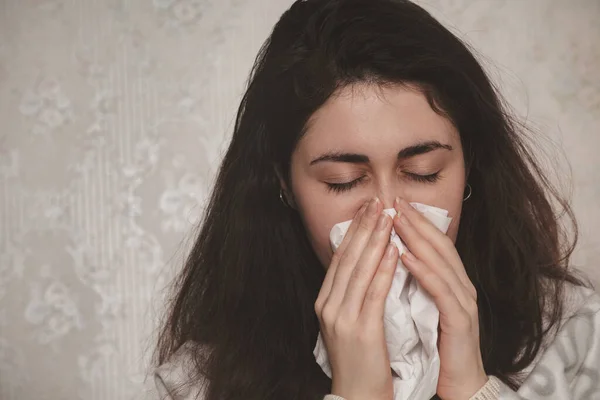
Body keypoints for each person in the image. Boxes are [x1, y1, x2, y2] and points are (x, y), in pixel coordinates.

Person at [153, 0, 600, 399]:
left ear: (469, 166)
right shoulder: (199, 383)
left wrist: (472, 390)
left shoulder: (574, 336)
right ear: (284, 185)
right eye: (343, 181)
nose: (387, 212)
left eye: (422, 173)